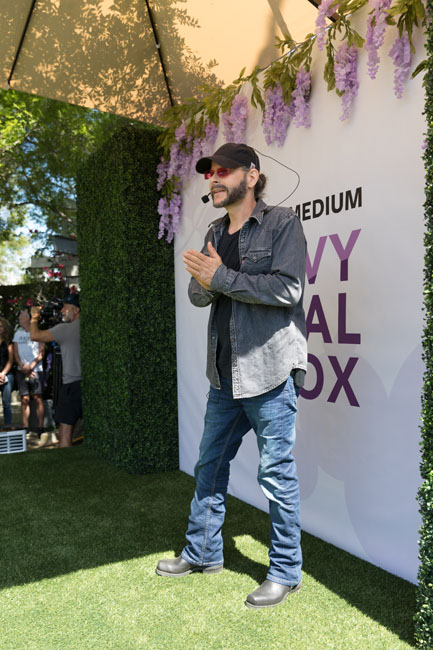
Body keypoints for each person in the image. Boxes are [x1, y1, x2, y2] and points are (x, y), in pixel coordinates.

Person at [156, 142, 308, 609]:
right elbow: (197, 295)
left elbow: (288, 289)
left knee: (276, 476)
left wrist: (220, 277)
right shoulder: (215, 232)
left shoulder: (282, 223)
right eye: (210, 173)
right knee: (209, 466)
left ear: (252, 176)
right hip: (224, 376)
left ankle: (286, 572)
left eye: (223, 171)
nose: (214, 179)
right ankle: (203, 552)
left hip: (269, 371)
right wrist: (207, 279)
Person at [30, 294, 81, 448]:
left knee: (65, 428)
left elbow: (35, 335)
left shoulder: (66, 329)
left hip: (72, 385)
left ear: (76, 310)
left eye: (66, 308)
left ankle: (65, 460)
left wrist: (34, 318)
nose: (62, 311)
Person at [13, 310, 46, 436]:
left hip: (36, 370)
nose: (19, 319)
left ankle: (40, 427)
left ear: (28, 319)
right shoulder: (17, 333)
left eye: (21, 317)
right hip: (22, 371)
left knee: (38, 398)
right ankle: (25, 427)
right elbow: (15, 353)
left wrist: (31, 367)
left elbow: (41, 353)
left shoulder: (38, 332)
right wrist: (22, 366)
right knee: (24, 399)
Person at [0, 317, 14, 426]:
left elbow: (11, 360)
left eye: (1, 326)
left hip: (7, 375)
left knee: (6, 403)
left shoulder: (9, 342)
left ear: (4, 328)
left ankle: (8, 426)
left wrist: (3, 373)